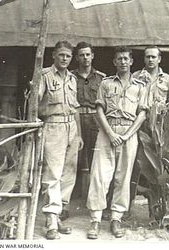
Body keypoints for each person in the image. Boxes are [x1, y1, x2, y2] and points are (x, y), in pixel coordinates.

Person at [86, 46, 148, 239]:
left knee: (124, 175)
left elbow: (142, 114)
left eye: (126, 59)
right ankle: (95, 219)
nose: (122, 62)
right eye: (119, 59)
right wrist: (111, 133)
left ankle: (116, 218)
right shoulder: (105, 84)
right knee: (100, 175)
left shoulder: (140, 86)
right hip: (107, 132)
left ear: (131, 62)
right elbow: (99, 110)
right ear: (114, 62)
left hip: (129, 133)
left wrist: (127, 134)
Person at [38, 40, 84, 240]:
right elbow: (35, 106)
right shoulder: (44, 76)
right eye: (61, 55)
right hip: (54, 126)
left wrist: (79, 134)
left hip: (71, 128)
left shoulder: (72, 79)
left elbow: (75, 108)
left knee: (68, 174)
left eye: (68, 56)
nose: (65, 59)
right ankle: (50, 219)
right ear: (54, 56)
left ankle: (58, 215)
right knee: (53, 173)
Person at [57, 42, 105, 221]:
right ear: (76, 58)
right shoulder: (69, 77)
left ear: (92, 56)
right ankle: (64, 205)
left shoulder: (101, 78)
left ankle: (96, 207)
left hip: (95, 121)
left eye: (88, 54)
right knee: (70, 162)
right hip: (74, 121)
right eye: (81, 55)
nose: (85, 58)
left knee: (97, 163)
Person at [129, 46, 169, 217]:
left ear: (159, 59)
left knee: (157, 168)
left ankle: (155, 210)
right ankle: (127, 207)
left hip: (159, 130)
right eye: (147, 57)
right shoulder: (135, 77)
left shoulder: (168, 80)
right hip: (139, 127)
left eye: (153, 57)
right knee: (134, 166)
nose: (150, 60)